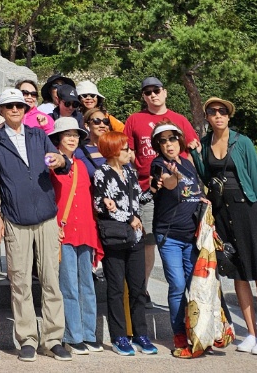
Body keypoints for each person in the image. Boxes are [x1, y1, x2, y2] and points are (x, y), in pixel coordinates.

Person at [0, 88, 68, 362]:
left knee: (51, 280)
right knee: (19, 282)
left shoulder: (38, 135)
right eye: (10, 107)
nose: (16, 110)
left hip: (46, 215)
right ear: (2, 112)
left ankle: (53, 339)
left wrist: (60, 159)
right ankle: (27, 339)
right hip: (15, 218)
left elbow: (61, 163)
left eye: (19, 105)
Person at [192, 97, 257, 356]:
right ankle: (251, 333)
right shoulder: (206, 144)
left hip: (247, 210)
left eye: (222, 112)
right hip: (222, 212)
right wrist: (197, 157)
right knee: (239, 274)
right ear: (207, 117)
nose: (218, 115)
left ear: (229, 116)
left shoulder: (242, 143)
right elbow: (208, 177)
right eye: (212, 112)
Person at [124, 78, 199, 286]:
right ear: (143, 97)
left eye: (156, 90)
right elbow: (128, 152)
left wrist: (195, 186)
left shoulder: (179, 120)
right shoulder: (134, 120)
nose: (152, 95)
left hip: (180, 190)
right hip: (147, 188)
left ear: (165, 92)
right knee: (149, 241)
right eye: (147, 92)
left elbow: (192, 150)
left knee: (182, 237)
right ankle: (143, 288)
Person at [91, 131, 157, 357]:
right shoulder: (102, 173)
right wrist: (129, 218)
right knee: (116, 288)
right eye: (126, 148)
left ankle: (140, 334)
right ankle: (119, 336)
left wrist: (155, 189)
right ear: (113, 151)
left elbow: (139, 199)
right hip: (115, 238)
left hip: (136, 237)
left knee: (138, 288)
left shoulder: (130, 172)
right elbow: (101, 205)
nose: (130, 152)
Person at [148, 123, 206, 357]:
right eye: (162, 141)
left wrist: (203, 199)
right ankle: (179, 333)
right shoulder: (159, 164)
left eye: (172, 139)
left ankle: (197, 331)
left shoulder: (188, 164)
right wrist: (170, 177)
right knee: (178, 285)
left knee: (195, 286)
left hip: (191, 236)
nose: (168, 144)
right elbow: (165, 182)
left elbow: (195, 192)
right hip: (169, 235)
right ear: (158, 146)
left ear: (179, 141)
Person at [51, 117, 101, 357]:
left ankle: (90, 333)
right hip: (64, 229)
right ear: (58, 139)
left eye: (75, 135)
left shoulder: (82, 165)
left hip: (85, 229)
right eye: (66, 134)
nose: (71, 139)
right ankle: (73, 335)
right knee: (69, 285)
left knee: (87, 285)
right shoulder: (51, 163)